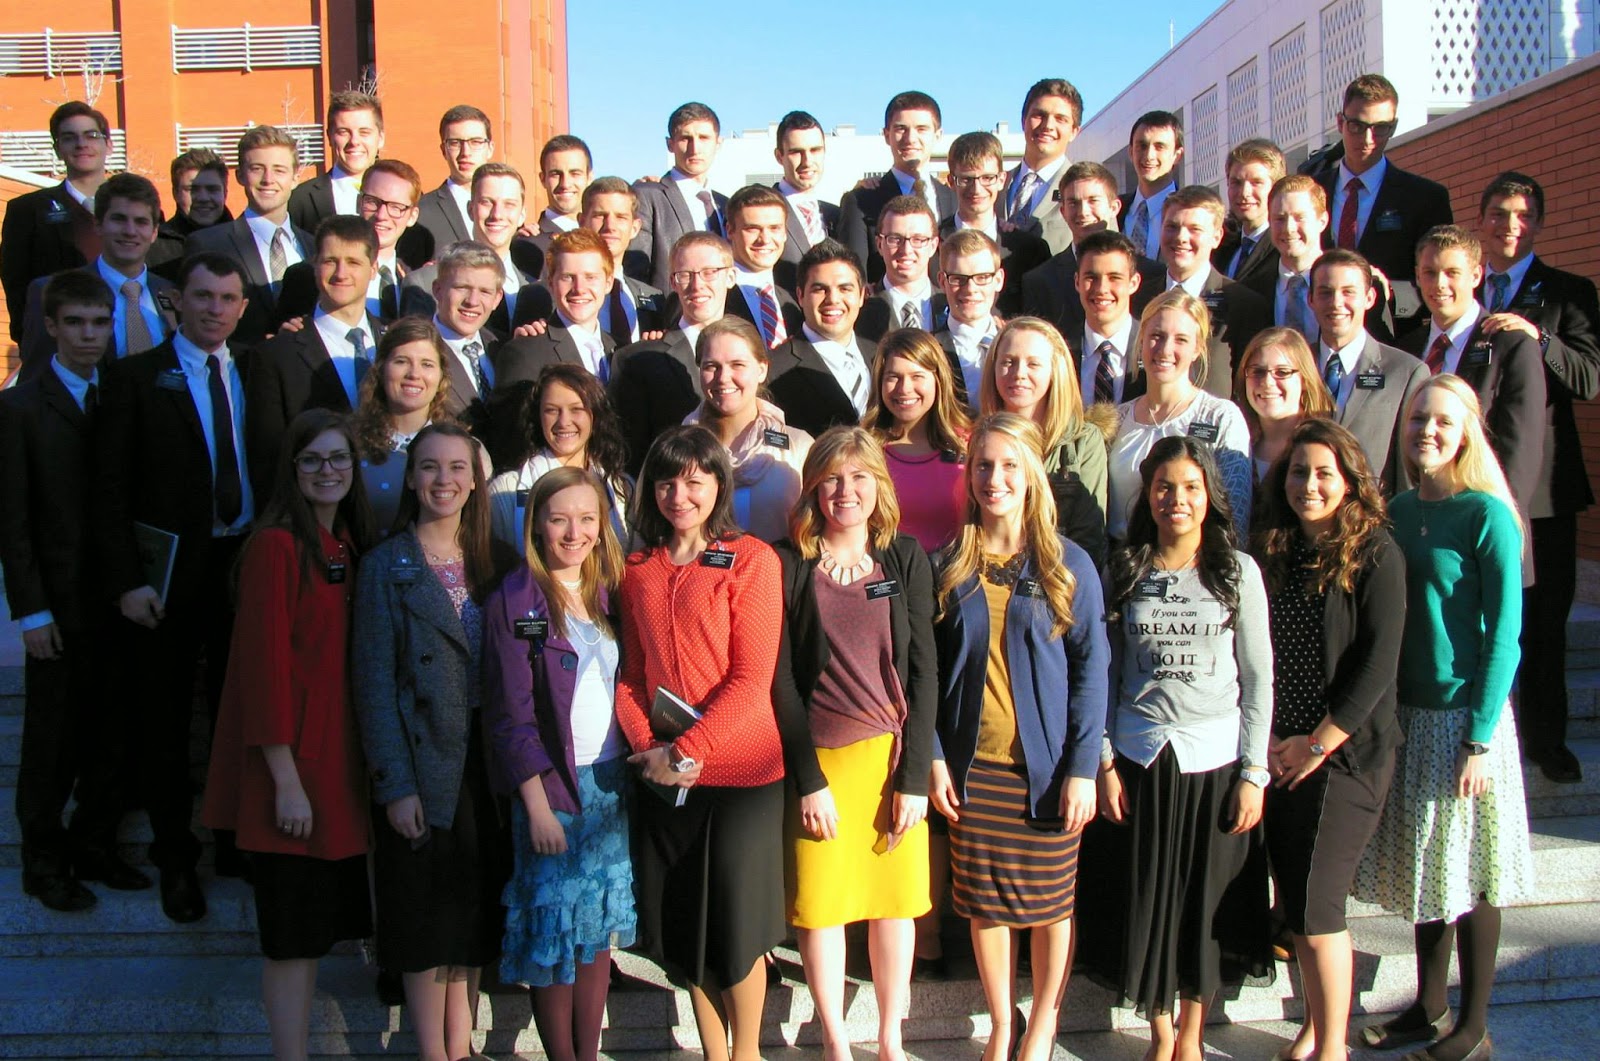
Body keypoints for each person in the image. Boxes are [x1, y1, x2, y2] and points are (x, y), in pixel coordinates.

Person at [1354, 376, 1536, 1061]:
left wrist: (1480, 737)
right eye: (1417, 419)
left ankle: (1473, 1023)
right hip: (1408, 712)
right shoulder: (1398, 509)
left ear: (1466, 434)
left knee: (1473, 871)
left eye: (1442, 421)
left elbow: (1505, 636)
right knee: (1430, 864)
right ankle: (1427, 1006)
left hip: (1465, 720)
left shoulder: (1487, 515)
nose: (1426, 431)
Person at [929, 413, 1109, 1061]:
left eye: (1009, 465)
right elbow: (925, 672)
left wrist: (1083, 768)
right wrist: (934, 757)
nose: (995, 478)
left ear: (1032, 474)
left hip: (1048, 771)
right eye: (984, 465)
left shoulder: (1068, 565)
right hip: (975, 769)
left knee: (1052, 906)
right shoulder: (949, 563)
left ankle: (1043, 1025)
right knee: (986, 906)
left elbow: (1092, 672)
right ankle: (1004, 1023)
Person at [201, 409, 377, 1061]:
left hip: (336, 770)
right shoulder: (276, 546)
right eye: (312, 459)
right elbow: (262, 671)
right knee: (290, 939)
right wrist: (285, 781)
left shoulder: (344, 545)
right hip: (290, 772)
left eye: (339, 457)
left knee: (313, 932)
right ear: (291, 469)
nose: (328, 470)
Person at [613, 424, 788, 1061]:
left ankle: (747, 1054)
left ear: (719, 484)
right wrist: (649, 752)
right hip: (666, 781)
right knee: (688, 930)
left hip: (740, 777)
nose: (679, 495)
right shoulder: (637, 571)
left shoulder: (752, 560)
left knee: (736, 934)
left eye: (694, 481)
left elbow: (751, 679)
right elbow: (631, 676)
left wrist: (687, 752)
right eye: (666, 482)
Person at [93, 253, 258, 923]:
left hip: (242, 564)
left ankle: (233, 841)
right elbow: (107, 491)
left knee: (236, 711)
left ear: (241, 307)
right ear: (177, 301)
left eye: (227, 298)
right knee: (163, 719)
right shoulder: (135, 378)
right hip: (165, 575)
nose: (215, 309)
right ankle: (175, 856)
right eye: (203, 296)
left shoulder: (255, 369)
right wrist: (127, 582)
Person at [1098, 434, 1273, 1061]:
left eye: (1191, 487)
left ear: (1210, 496)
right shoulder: (1124, 569)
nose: (1177, 499)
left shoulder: (1237, 571)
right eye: (1164, 486)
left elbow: (1258, 678)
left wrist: (1254, 772)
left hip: (1215, 765)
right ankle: (1161, 1033)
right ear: (1147, 494)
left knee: (1201, 907)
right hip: (1141, 761)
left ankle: (1192, 1038)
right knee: (1153, 903)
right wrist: (1104, 762)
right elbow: (1105, 674)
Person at [773, 427, 938, 1061]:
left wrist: (915, 778)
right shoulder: (789, 563)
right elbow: (781, 680)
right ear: (814, 489)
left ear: (879, 485)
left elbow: (923, 672)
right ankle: (836, 1042)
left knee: (894, 905)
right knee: (823, 907)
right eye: (833, 479)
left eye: (860, 477)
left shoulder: (903, 558)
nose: (847, 491)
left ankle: (890, 1037)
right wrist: (808, 780)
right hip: (821, 765)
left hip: (889, 762)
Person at [352, 422, 513, 1061]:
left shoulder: (500, 561)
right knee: (422, 917)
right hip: (421, 762)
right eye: (429, 467)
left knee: (470, 913)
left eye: (456, 467)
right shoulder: (383, 566)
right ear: (411, 478)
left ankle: (461, 1045)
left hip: (486, 762)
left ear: (476, 480)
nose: (443, 480)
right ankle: (431, 1051)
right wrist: (395, 785)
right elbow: (372, 683)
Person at [1252, 418, 1405, 1061]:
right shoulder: (1276, 548)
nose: (1308, 485)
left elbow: (1377, 664)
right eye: (1298, 472)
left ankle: (1333, 1046)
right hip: (1282, 750)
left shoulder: (1376, 553)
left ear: (1349, 481)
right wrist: (1270, 738)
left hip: (1344, 757)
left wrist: (1317, 743)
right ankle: (1314, 1028)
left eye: (1323, 473)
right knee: (1296, 900)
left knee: (1318, 906)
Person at [0, 271, 148, 913]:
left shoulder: (122, 393)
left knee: (113, 732)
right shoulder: (20, 409)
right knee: (52, 741)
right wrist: (31, 611)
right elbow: (13, 522)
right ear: (52, 327)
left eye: (99, 323)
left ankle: (95, 844)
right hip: (57, 605)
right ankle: (42, 862)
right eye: (77, 323)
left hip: (118, 598)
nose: (90, 335)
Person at [483, 466, 634, 1061]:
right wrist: (537, 805)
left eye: (587, 519)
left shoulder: (610, 590)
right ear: (537, 525)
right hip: (551, 788)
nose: (574, 533)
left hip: (609, 782)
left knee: (594, 934)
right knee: (553, 935)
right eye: (559, 519)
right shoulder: (516, 598)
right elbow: (509, 715)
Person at [1476, 171, 1600, 784]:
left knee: (1544, 620)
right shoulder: (1461, 285)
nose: (1510, 225)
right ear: (1482, 220)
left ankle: (1546, 740)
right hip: (1472, 480)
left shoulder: (1569, 292)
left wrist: (1539, 336)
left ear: (1539, 224)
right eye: (1500, 213)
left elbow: (1589, 378)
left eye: (1523, 215)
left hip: (1545, 490)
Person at [246, 215, 383, 503]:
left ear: (373, 269)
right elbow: (267, 457)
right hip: (312, 511)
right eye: (330, 261)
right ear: (315, 264)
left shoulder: (396, 344)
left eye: (354, 262)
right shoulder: (276, 355)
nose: (341, 273)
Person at [1107, 289, 1253, 545]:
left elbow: (1234, 518)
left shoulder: (1220, 418)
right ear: (1141, 340)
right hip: (1122, 562)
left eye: (1181, 340)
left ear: (1197, 348)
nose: (1165, 349)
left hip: (1196, 564)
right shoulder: (1116, 420)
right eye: (1157, 336)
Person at [1315, 74, 1453, 339]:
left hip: (1391, 341)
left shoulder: (1424, 198)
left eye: (1380, 128)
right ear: (1340, 122)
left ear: (1394, 127)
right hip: (1317, 341)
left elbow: (1440, 280)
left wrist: (1388, 289)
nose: (1368, 138)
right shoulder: (1312, 191)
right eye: (1357, 126)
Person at [18, 172, 177, 378]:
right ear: (98, 225)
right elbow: (35, 380)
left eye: (141, 222)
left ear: (154, 232)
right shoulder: (50, 291)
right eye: (119, 219)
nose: (130, 231)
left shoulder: (174, 295)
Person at [979, 317, 1111, 566]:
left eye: (1033, 364)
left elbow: (1089, 536)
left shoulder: (1083, 441)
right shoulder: (976, 438)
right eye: (1008, 362)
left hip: (1061, 575)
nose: (1019, 374)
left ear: (1054, 371)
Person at [610, 232, 736, 472]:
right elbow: (628, 457)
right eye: (685, 275)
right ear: (673, 282)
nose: (697, 285)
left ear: (730, 277)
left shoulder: (750, 353)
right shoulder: (635, 361)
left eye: (709, 272)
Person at [1308, 249, 1430, 495]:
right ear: (1310, 299)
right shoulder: (1295, 365)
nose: (1336, 303)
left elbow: (1410, 470)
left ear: (1370, 298)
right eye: (1325, 292)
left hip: (1375, 511)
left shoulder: (1406, 372)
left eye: (1348, 292)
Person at [684, 317, 812, 542]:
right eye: (711, 366)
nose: (723, 378)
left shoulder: (798, 447)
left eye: (737, 365)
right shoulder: (679, 449)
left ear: (762, 370)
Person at [184, 125, 312, 347]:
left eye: (279, 170)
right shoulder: (207, 244)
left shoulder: (315, 246)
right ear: (240, 175)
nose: (268, 179)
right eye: (257, 169)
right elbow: (195, 326)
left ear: (295, 178)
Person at [488, 363, 631, 546]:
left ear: (595, 415)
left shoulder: (620, 487)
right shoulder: (505, 493)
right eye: (552, 410)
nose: (564, 422)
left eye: (576, 409)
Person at [2, 101, 111, 341]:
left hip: (132, 340)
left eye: (91, 135)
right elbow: (17, 288)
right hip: (60, 345)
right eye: (70, 138)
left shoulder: (138, 209)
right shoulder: (27, 211)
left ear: (109, 145)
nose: (82, 144)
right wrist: (33, 343)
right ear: (58, 149)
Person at [1020, 162, 1165, 341]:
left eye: (1093, 201)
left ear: (1114, 207)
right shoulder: (1040, 282)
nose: (1083, 212)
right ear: (1063, 211)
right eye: (1073, 203)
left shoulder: (1153, 276)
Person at [864, 328, 972, 552]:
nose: (904, 389)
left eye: (917, 376)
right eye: (893, 377)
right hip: (889, 570)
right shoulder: (863, 449)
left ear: (938, 380)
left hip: (956, 569)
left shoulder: (969, 444)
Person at [1157, 185, 1271, 396]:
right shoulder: (1136, 298)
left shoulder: (1245, 306)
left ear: (1217, 237)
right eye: (1172, 226)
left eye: (1194, 229)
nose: (1181, 237)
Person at [838, 91, 957, 284]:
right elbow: (854, 277)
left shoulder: (954, 199)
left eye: (921, 129)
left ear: (938, 135)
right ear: (887, 135)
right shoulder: (859, 201)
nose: (911, 138)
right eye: (901, 128)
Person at [767, 240, 878, 438]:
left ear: (862, 295)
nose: (833, 299)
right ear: (800, 296)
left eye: (845, 289)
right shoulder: (774, 370)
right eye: (820, 289)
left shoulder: (880, 357)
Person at [352, 317, 453, 530]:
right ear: (381, 369)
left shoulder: (464, 448)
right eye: (401, 361)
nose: (414, 374)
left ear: (441, 376)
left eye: (427, 364)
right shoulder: (350, 444)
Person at [938, 132, 1051, 315]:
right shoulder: (931, 246)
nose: (977, 189)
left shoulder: (1029, 250)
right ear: (951, 182)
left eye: (987, 178)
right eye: (966, 179)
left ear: (1001, 180)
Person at [629, 102, 729, 291]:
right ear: (670, 144)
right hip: (669, 308)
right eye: (685, 138)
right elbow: (635, 275)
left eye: (704, 138)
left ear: (718, 143)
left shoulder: (726, 205)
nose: (695, 148)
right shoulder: (648, 196)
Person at [1234, 328, 1334, 482]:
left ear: (1304, 380)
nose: (1267, 382)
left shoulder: (1324, 444)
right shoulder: (1233, 440)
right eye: (1257, 371)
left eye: (1282, 372)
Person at [1005, 78, 1084, 254]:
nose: (1048, 126)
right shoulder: (994, 186)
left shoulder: (1086, 192)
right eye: (1039, 115)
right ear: (1023, 121)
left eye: (1060, 119)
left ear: (1074, 131)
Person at [288, 91, 384, 232]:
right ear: (330, 137)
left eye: (364, 132)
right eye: (343, 132)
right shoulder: (298, 201)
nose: (354, 141)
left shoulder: (404, 198)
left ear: (381, 138)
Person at [855, 195, 944, 342]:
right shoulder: (859, 310)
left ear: (933, 246)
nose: (906, 250)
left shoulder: (951, 306)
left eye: (918, 239)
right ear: (879, 244)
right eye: (895, 239)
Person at [932, 229, 1004, 407]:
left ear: (998, 280)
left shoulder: (1016, 342)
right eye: (958, 279)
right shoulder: (931, 351)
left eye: (983, 277)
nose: (971, 289)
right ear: (942, 281)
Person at [722, 184, 803, 342]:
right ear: (730, 230)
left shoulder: (795, 296)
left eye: (774, 228)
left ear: (785, 232)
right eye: (752, 228)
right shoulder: (712, 294)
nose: (765, 239)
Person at [150, 148, 233, 279]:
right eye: (192, 189)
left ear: (225, 193)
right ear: (175, 193)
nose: (203, 198)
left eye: (212, 189)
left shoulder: (246, 242)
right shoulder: (153, 246)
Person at [773, 111, 839, 266]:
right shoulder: (761, 212)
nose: (807, 161)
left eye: (815, 150)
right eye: (796, 152)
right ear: (779, 156)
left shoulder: (838, 215)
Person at [1214, 139, 1284, 287]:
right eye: (1236, 182)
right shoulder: (1220, 248)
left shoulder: (1284, 248)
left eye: (1256, 182)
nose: (1244, 193)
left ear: (1276, 187)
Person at [1119, 111, 1184, 261]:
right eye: (1142, 146)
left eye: (1159, 147)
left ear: (1177, 155)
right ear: (1131, 152)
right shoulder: (1113, 211)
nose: (1149, 156)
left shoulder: (1192, 212)